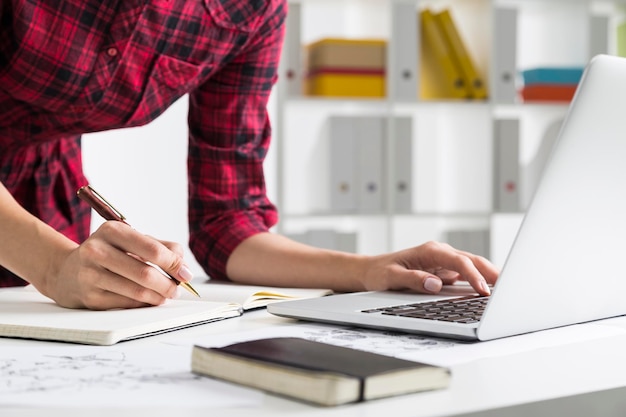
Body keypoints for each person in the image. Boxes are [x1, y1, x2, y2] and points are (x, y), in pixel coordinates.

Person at [0, 0, 499, 310]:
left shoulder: (251, 11)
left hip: (39, 220)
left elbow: (229, 224)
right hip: (37, 249)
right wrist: (51, 266)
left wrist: (368, 270)